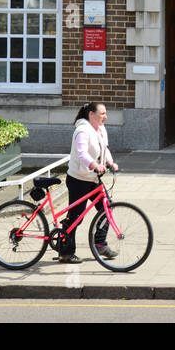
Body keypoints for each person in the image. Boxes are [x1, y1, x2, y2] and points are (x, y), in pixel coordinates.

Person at [57, 101, 119, 263]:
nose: (106, 116)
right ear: (91, 114)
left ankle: (100, 244)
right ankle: (66, 252)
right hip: (78, 179)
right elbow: (82, 153)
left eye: (106, 113)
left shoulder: (101, 130)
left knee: (107, 208)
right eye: (102, 113)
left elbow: (105, 149)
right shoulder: (82, 130)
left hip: (93, 179)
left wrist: (110, 163)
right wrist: (94, 165)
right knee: (76, 217)